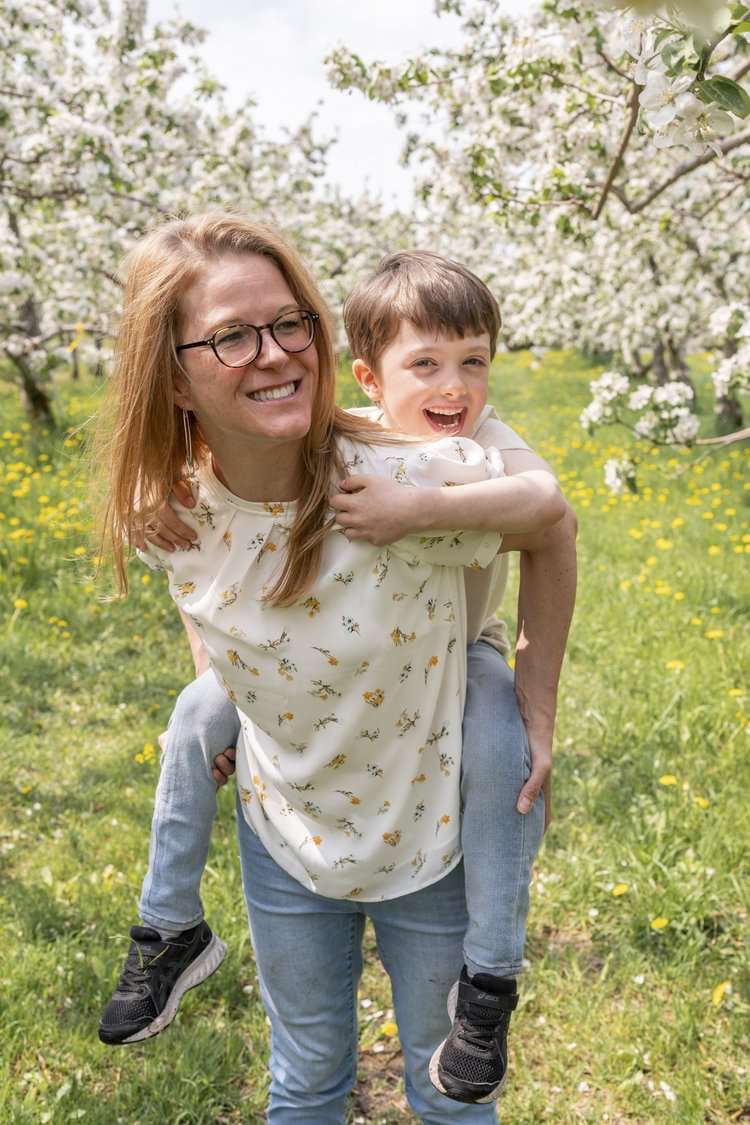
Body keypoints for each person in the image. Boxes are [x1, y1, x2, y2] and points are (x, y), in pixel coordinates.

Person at [97, 212, 576, 1119]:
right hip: (287, 837)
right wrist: (229, 689)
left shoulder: (403, 482)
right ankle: (168, 924)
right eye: (232, 336)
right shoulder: (173, 506)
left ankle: (493, 970)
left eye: (290, 323)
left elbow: (551, 515)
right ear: (174, 378)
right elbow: (209, 599)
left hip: (425, 828)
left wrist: (537, 706)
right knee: (305, 1077)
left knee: (449, 1091)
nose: (274, 352)